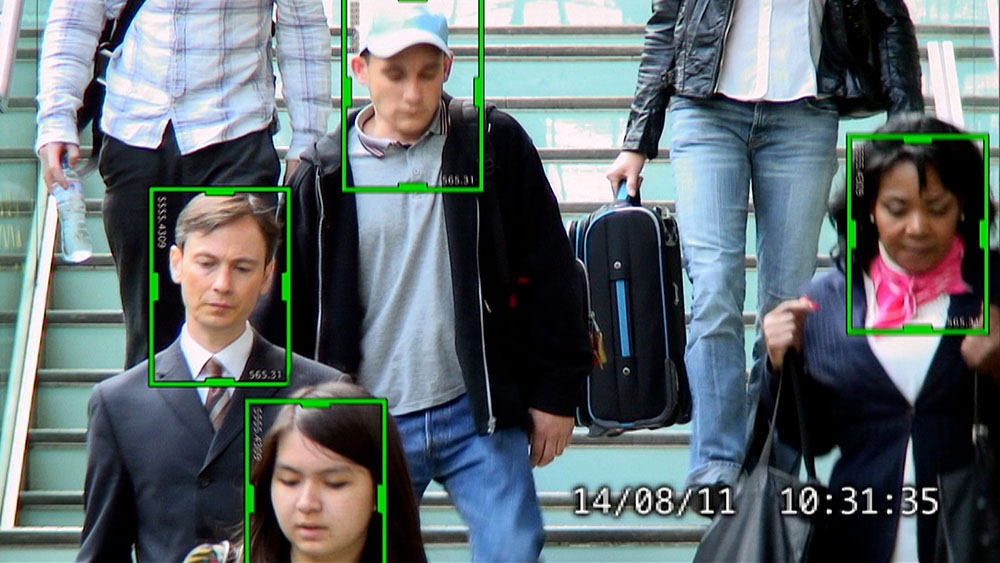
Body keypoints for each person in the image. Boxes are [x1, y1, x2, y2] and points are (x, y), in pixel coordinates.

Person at [286, 6, 593, 561]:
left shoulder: (493, 144)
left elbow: (550, 269)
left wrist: (555, 393)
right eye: (395, 74)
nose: (412, 93)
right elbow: (290, 308)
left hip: (475, 411)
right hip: (367, 419)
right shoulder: (320, 175)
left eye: (428, 73)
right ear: (360, 68)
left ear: (449, 68)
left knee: (513, 548)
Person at [605, 0, 924, 497]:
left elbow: (888, 18)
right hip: (706, 110)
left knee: (786, 307)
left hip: (805, 115)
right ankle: (716, 463)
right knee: (713, 288)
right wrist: (636, 140)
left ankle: (771, 464)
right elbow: (668, 22)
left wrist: (909, 125)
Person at [36, 0, 331, 368]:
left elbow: (301, 23)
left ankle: (242, 422)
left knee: (234, 306)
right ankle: (155, 421)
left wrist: (308, 139)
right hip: (137, 130)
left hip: (234, 130)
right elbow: (76, 15)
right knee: (151, 325)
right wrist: (56, 118)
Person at [762, 114, 999, 561]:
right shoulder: (826, 301)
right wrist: (779, 366)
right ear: (868, 206)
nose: (917, 227)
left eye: (937, 207)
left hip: (974, 536)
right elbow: (809, 437)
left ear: (963, 205)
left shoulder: (994, 287)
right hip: (856, 537)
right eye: (897, 208)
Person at [78, 194, 347, 562]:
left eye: (242, 267)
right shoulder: (120, 402)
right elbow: (102, 551)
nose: (222, 284)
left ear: (267, 275)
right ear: (176, 263)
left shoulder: (320, 390)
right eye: (207, 263)